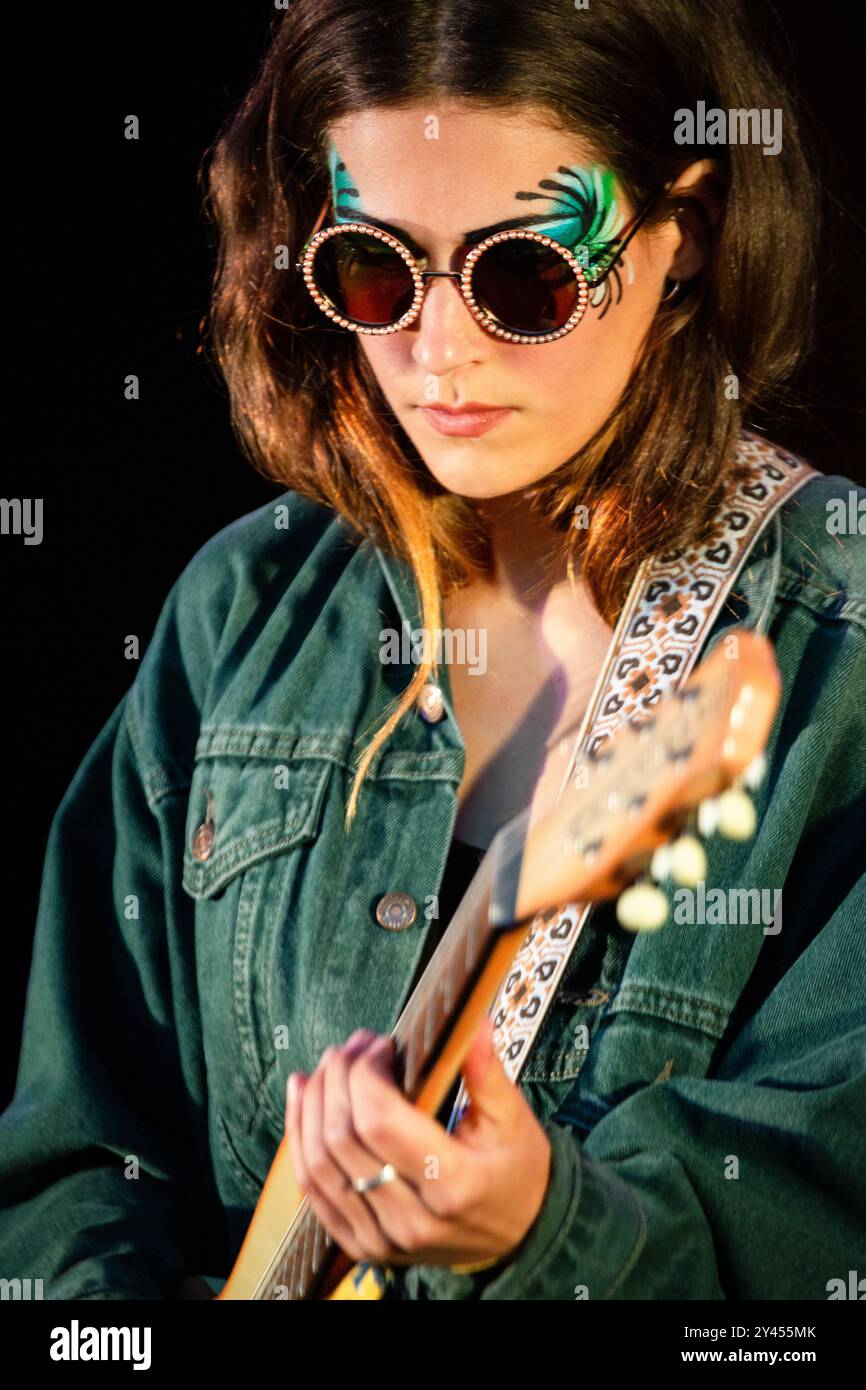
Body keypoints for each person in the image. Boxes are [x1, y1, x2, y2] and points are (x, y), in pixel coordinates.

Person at [1, 0, 863, 1302]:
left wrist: (548, 1230)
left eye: (523, 272)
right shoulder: (242, 607)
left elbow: (826, 1221)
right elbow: (73, 1155)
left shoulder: (838, 643)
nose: (436, 348)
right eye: (374, 269)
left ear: (681, 231)